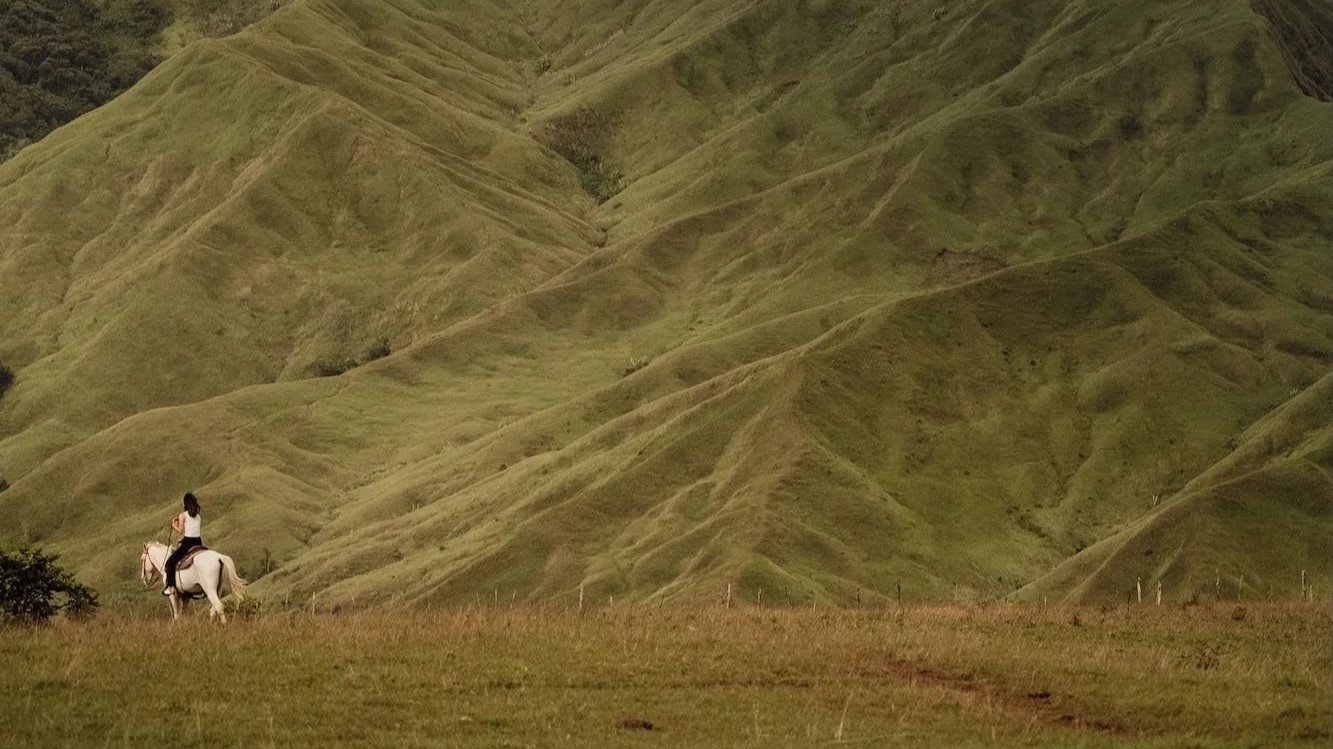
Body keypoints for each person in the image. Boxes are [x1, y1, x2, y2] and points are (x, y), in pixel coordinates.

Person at [163, 492, 204, 596]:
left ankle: (171, 587)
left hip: (188, 543)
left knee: (170, 563)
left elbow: (181, 531)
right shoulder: (198, 517)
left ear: (185, 504)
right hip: (198, 542)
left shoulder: (183, 515)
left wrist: (174, 525)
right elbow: (192, 529)